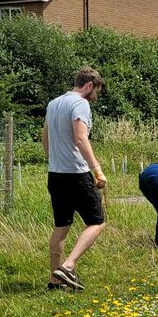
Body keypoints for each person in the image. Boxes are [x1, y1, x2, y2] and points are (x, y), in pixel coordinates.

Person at [43, 67, 107, 291]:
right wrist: (97, 169)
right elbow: (81, 139)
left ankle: (54, 281)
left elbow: (45, 137)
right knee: (97, 222)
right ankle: (68, 267)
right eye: (96, 92)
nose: (96, 97)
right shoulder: (80, 104)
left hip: (55, 174)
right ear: (88, 86)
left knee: (61, 225)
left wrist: (52, 158)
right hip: (76, 174)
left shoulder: (54, 103)